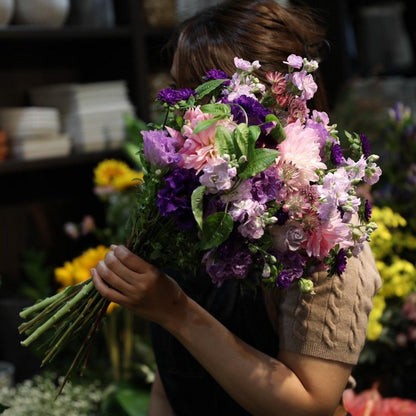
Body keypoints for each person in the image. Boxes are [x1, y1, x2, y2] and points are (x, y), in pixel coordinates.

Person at [91, 1, 382, 415]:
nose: (180, 114)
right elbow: (173, 377)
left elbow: (310, 405)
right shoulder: (195, 201)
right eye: (176, 90)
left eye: (197, 92)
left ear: (262, 100)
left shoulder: (323, 232)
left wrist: (176, 311)